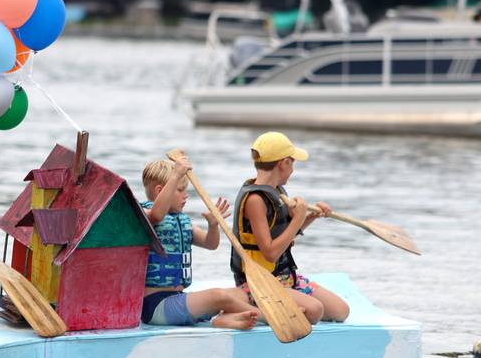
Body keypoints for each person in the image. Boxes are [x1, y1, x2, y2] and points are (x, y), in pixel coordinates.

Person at [230, 131, 350, 323]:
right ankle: (240, 307)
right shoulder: (255, 200)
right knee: (314, 311)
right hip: (260, 283)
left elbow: (285, 237)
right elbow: (270, 253)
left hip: (285, 278)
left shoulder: (277, 192)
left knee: (341, 311)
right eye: (292, 163)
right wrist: (297, 219)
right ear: (283, 163)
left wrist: (310, 217)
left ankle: (282, 304)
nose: (293, 169)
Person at [140, 156, 259, 330]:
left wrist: (213, 225)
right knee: (218, 296)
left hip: (179, 299)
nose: (186, 195)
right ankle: (271, 318)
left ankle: (221, 320)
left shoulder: (182, 222)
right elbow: (157, 215)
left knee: (239, 294)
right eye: (180, 190)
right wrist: (176, 175)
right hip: (155, 306)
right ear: (160, 191)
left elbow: (210, 244)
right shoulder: (144, 215)